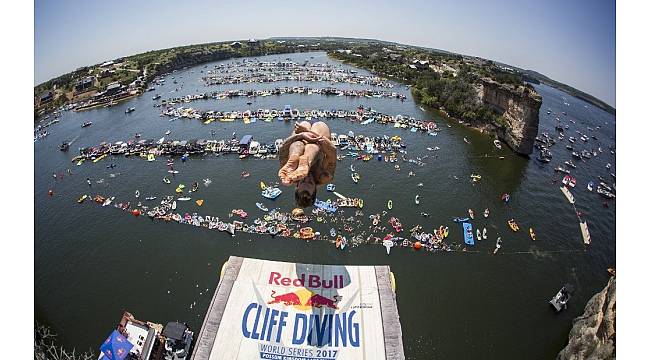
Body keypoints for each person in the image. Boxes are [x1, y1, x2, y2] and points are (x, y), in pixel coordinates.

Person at [278, 121, 337, 208]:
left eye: (303, 181)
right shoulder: (324, 176)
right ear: (315, 187)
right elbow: (333, 151)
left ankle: (296, 157)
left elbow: (282, 148)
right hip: (318, 139)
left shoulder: (289, 173)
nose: (307, 177)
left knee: (297, 143)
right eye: (310, 182)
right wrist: (309, 132)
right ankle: (306, 161)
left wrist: (301, 135)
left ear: (297, 185)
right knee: (313, 145)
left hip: (300, 140)